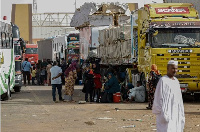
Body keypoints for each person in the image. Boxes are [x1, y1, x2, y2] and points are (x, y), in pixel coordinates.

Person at [152, 60, 185, 132]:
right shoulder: (163, 80)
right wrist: (161, 112)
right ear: (168, 68)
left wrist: (181, 112)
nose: (175, 70)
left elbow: (179, 99)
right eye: (173, 68)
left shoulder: (176, 81)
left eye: (176, 68)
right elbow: (158, 97)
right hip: (165, 112)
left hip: (176, 112)